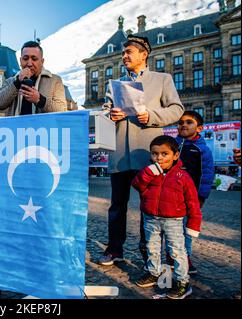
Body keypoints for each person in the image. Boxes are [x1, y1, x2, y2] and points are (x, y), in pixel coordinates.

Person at [99, 35, 185, 266]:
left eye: (128, 52)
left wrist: (152, 116)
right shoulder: (114, 84)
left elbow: (177, 110)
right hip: (119, 155)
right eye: (123, 53)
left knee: (150, 207)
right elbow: (105, 111)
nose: (124, 56)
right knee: (117, 206)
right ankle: (114, 249)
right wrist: (110, 115)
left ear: (143, 54)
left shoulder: (162, 79)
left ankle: (150, 253)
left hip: (148, 154)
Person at [132, 136, 202, 299]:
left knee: (177, 252)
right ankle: (153, 272)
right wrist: (148, 173)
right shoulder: (149, 171)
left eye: (165, 154)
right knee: (152, 247)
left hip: (174, 220)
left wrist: (193, 224)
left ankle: (183, 282)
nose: (159, 158)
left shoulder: (183, 177)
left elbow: (193, 202)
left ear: (175, 155)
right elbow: (137, 185)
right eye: (155, 154)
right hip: (151, 218)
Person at [175, 111, 214, 274]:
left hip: (190, 198)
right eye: (181, 122)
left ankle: (186, 259)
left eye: (189, 122)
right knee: (170, 229)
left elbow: (206, 174)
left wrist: (201, 196)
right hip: (171, 196)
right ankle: (171, 257)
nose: (183, 125)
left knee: (186, 230)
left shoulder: (202, 149)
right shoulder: (171, 145)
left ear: (199, 128)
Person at [0, 41, 67, 116]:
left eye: (34, 59)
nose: (29, 63)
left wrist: (39, 99)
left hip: (42, 127)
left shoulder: (54, 80)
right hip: (16, 127)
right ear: (20, 60)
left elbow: (62, 109)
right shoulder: (11, 81)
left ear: (42, 62)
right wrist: (17, 82)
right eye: (25, 59)